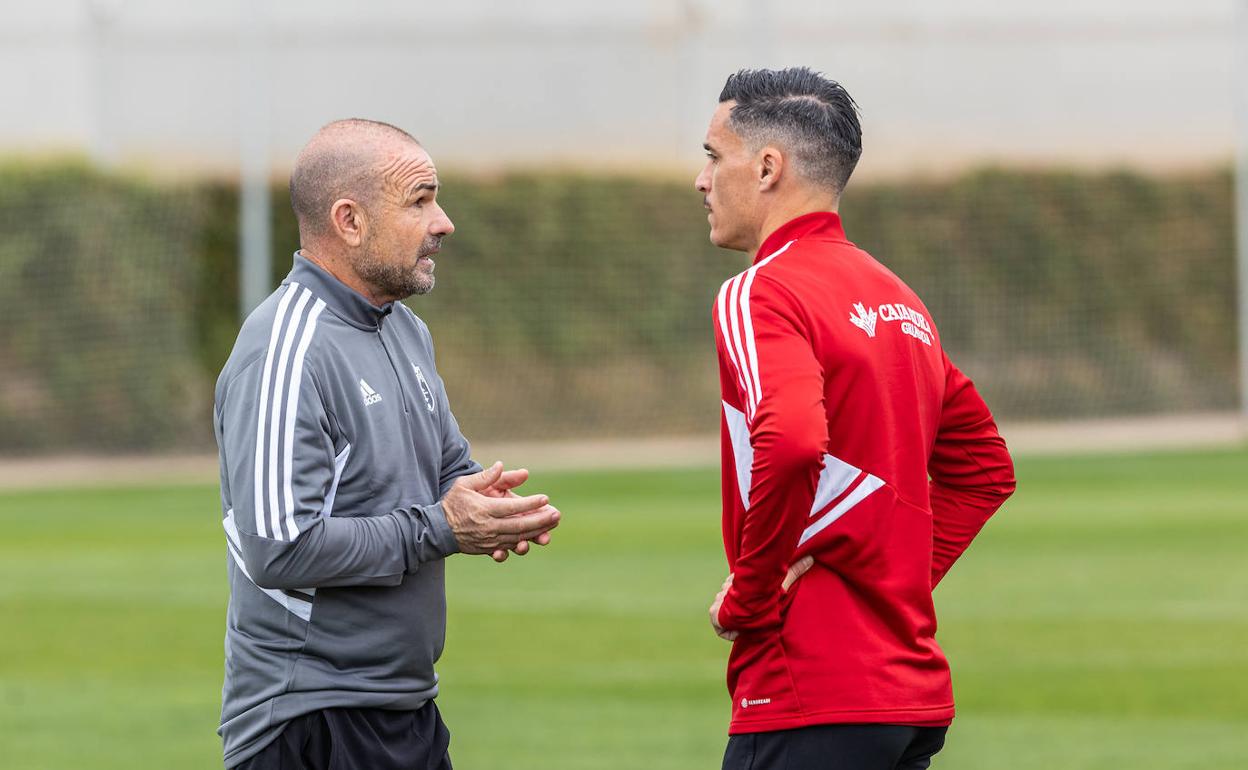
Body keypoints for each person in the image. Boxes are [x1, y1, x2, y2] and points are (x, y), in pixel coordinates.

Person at [213, 119, 560, 769]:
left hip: (406, 709)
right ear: (350, 220)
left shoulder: (403, 330)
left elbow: (446, 466)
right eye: (420, 200)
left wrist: (488, 504)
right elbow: (279, 546)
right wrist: (441, 529)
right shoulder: (286, 350)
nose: (444, 222)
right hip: (308, 722)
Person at [696, 68, 1016, 769]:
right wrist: (887, 577)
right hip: (908, 698)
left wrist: (749, 599)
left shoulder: (758, 292)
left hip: (808, 694)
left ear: (768, 167)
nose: (702, 179)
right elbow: (986, 469)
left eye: (714, 156)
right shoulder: (897, 297)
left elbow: (791, 443)